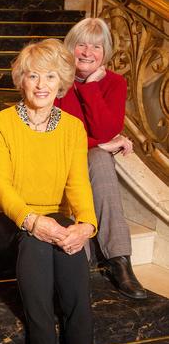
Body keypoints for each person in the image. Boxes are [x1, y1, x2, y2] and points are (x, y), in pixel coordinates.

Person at [0, 39, 97, 344]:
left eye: (50, 76)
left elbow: (79, 184)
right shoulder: (0, 124)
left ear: (61, 83)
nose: (41, 85)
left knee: (69, 242)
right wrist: (31, 221)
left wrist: (86, 224)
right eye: (33, 76)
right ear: (21, 81)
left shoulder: (72, 128)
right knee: (37, 241)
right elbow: (1, 186)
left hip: (54, 213)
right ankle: (42, 342)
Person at [56, 17, 147, 300]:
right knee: (97, 154)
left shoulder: (115, 83)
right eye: (81, 45)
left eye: (96, 47)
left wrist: (92, 87)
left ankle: (119, 259)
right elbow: (61, 133)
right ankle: (93, 260)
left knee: (98, 159)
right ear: (70, 48)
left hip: (90, 157)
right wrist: (99, 144)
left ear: (105, 52)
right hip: (58, 154)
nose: (87, 53)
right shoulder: (57, 78)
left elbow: (108, 130)